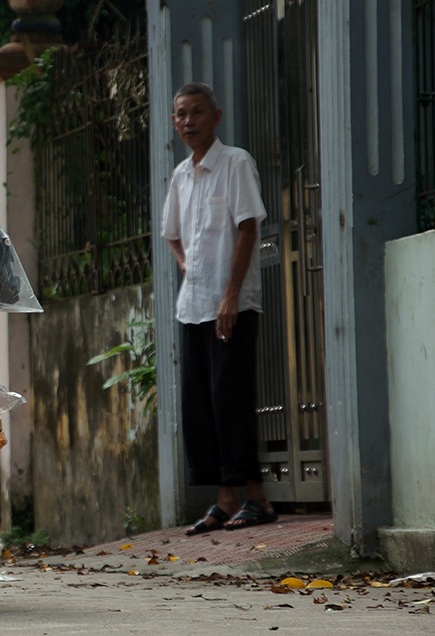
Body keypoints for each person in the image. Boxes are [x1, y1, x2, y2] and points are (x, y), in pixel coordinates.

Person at [161, 82, 277, 534]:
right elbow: (172, 234)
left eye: (196, 112)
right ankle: (225, 499)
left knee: (232, 398)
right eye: (181, 114)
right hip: (192, 306)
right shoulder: (181, 175)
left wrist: (229, 294)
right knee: (201, 404)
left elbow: (248, 227)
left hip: (231, 305)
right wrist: (186, 264)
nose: (188, 121)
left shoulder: (235, 163)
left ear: (216, 116)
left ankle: (257, 497)